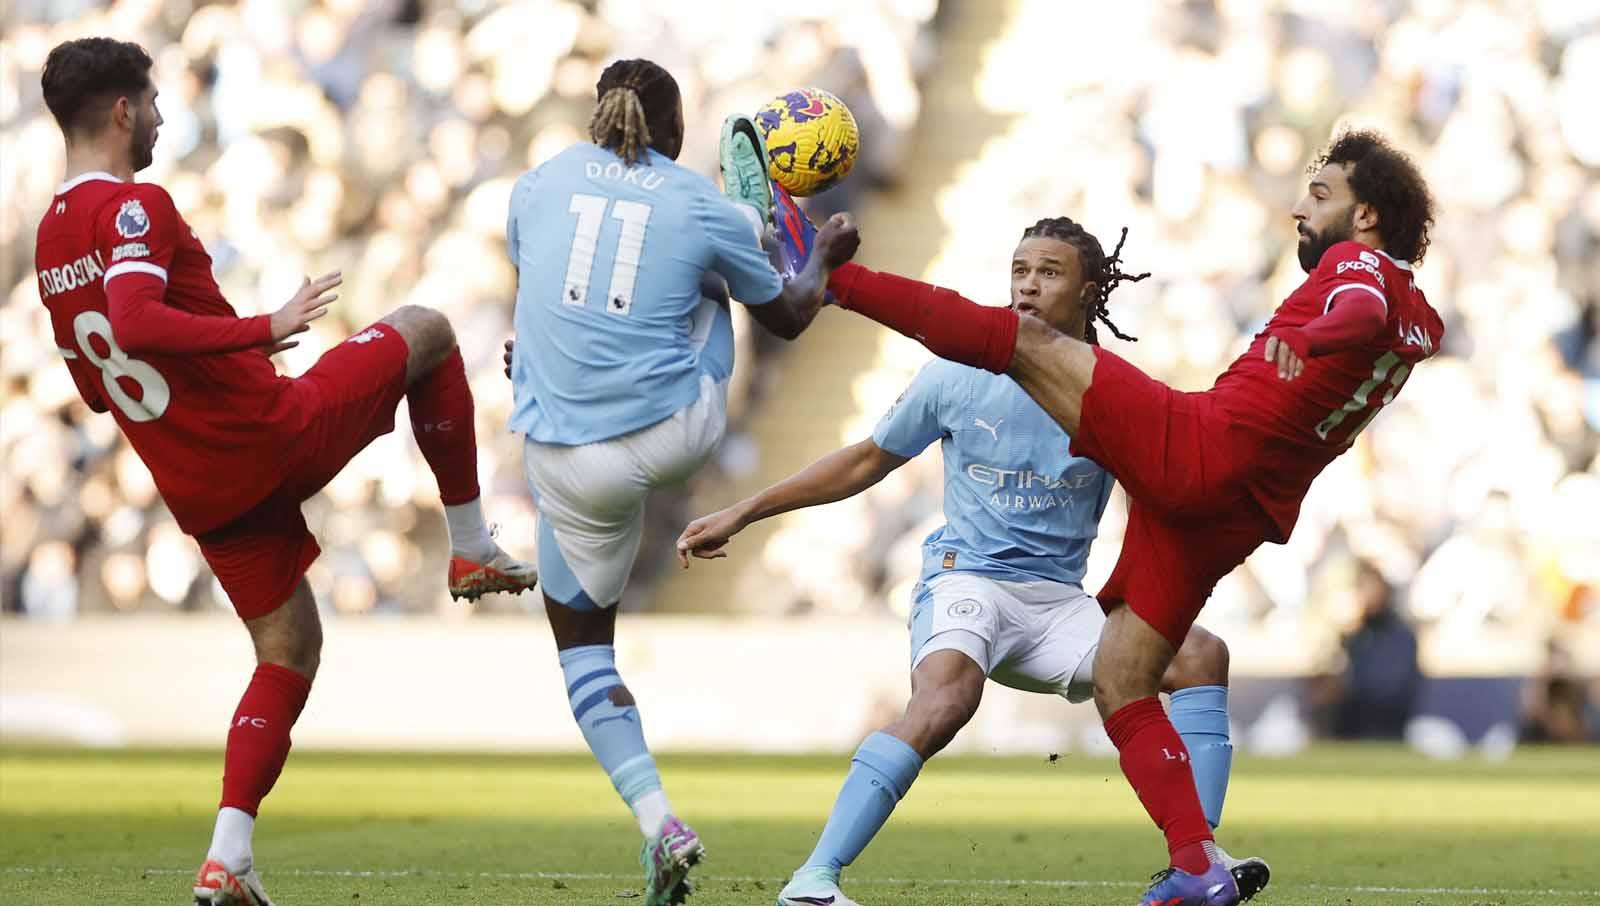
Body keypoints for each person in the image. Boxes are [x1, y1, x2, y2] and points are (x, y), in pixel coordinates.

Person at [818, 130, 1444, 906]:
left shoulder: (1360, 268)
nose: (1298, 209)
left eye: (1320, 196)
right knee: (1123, 679)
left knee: (1018, 342)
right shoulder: (1425, 321)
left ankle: (832, 282)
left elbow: (1353, 306)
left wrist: (1311, 335)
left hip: (1201, 450)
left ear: (1368, 216)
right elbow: (1378, 319)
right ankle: (1195, 865)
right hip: (1243, 512)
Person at [33, 37, 539, 906]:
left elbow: (91, 384)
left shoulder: (48, 240)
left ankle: (228, 857)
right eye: (150, 102)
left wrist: (184, 415)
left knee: (289, 646)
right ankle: (469, 545)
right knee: (427, 328)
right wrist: (259, 331)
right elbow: (138, 319)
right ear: (121, 112)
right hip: (267, 432)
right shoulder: (133, 207)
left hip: (200, 484)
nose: (160, 116)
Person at [676, 216, 1271, 906]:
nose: (1027, 284)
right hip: (968, 580)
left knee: (1200, 655)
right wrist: (745, 511)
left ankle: (1198, 856)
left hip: (1057, 605)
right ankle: (814, 880)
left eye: (1048, 272)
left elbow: (1164, 503)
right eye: (1020, 270)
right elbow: (868, 459)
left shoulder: (1117, 394)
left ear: (1088, 290)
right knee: (949, 697)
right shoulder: (959, 373)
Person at [501, 59, 859, 906]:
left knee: (583, 651)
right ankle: (662, 826)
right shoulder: (695, 200)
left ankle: (656, 813)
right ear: (672, 129)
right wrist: (828, 255)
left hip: (557, 457)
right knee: (718, 282)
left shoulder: (536, 183)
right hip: (670, 437)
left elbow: (550, 289)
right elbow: (793, 317)